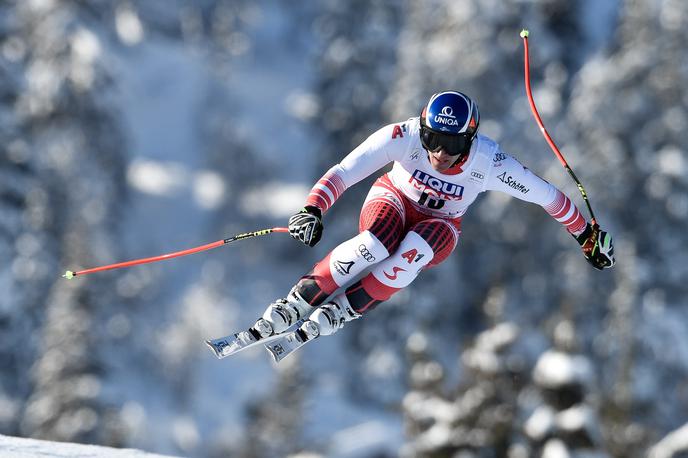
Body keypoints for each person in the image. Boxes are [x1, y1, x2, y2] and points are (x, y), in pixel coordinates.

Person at [236, 91, 615, 356]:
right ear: (423, 128)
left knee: (412, 251)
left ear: (471, 139)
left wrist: (586, 236)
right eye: (433, 139)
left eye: (453, 145)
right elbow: (345, 171)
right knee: (375, 244)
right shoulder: (403, 136)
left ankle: (343, 310)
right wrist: (313, 209)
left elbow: (549, 197)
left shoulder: (490, 163)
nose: (439, 153)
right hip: (393, 200)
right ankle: (296, 302)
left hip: (442, 223)